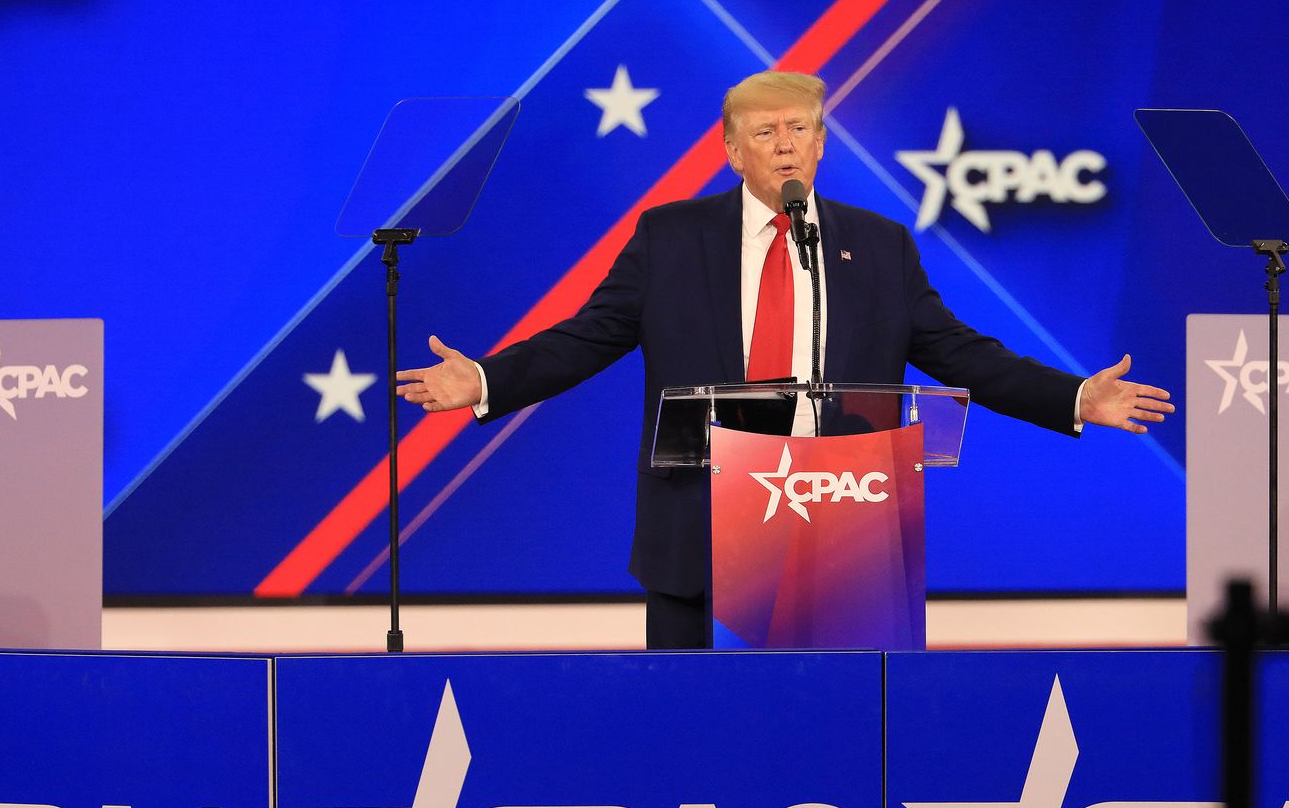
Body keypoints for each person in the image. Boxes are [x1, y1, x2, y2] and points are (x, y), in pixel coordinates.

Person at [396, 70, 1174, 648]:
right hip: (699, 524)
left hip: (836, 527)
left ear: (822, 143)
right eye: (765, 133)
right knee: (692, 731)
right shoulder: (670, 238)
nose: (785, 145)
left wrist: (1071, 397)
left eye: (800, 129)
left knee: (836, 736)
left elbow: (956, 349)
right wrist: (487, 378)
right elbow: (590, 335)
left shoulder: (875, 245)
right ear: (731, 150)